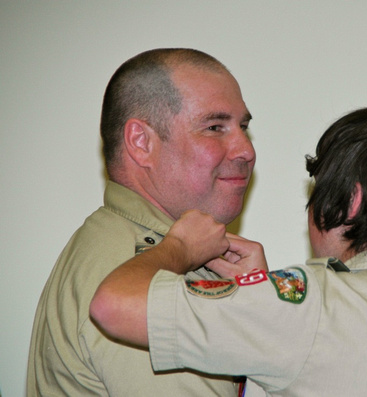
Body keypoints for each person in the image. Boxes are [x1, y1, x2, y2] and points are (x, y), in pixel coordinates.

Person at [90, 106, 367, 396]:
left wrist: (178, 247)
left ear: (351, 202)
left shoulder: (310, 306)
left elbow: (113, 306)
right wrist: (261, 293)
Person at [27, 48, 262, 396]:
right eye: (215, 127)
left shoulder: (146, 252)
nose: (246, 150)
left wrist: (261, 304)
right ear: (141, 142)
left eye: (243, 127)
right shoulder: (138, 279)